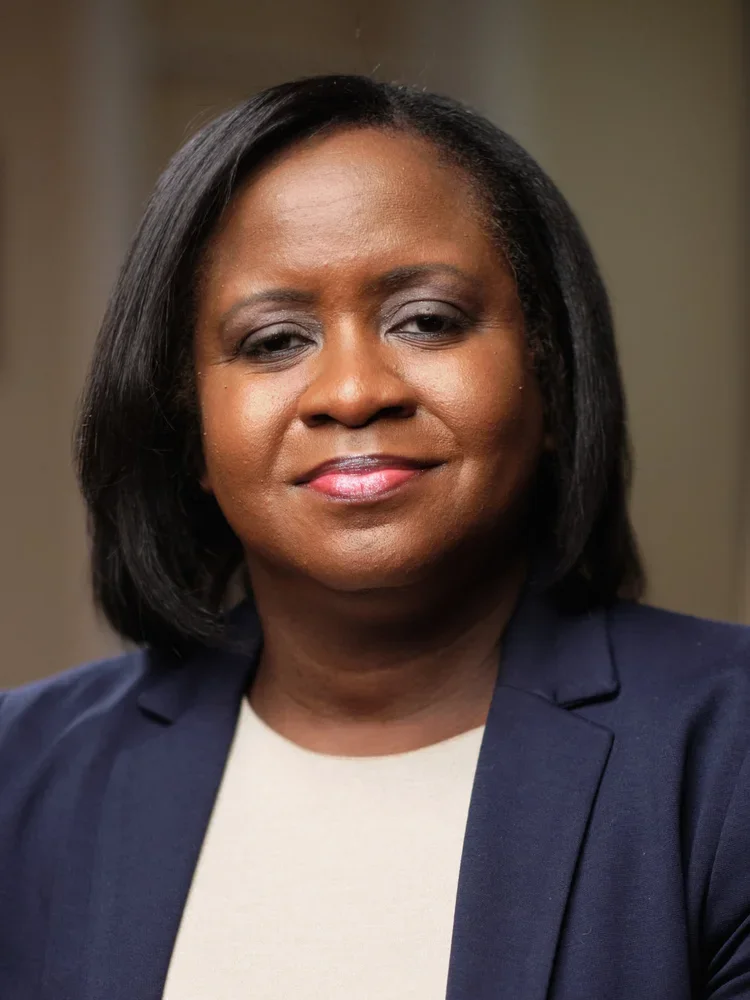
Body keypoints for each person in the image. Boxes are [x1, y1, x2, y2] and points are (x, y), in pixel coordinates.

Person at [1, 73, 748, 1000]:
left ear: (551, 379)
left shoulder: (728, 750)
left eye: (426, 322)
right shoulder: (21, 774)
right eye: (274, 341)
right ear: (187, 430)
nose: (353, 392)